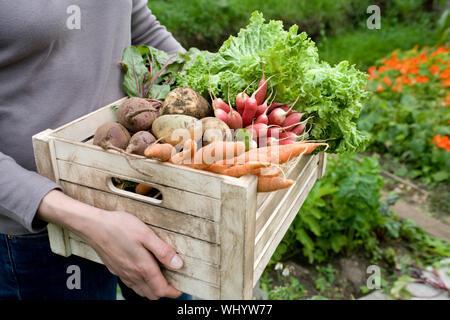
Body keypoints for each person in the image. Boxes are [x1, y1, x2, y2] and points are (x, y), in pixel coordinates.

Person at [0, 0, 189, 300]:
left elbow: (134, 19)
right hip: (40, 234)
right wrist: (90, 222)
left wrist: (212, 81)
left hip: (137, 183)